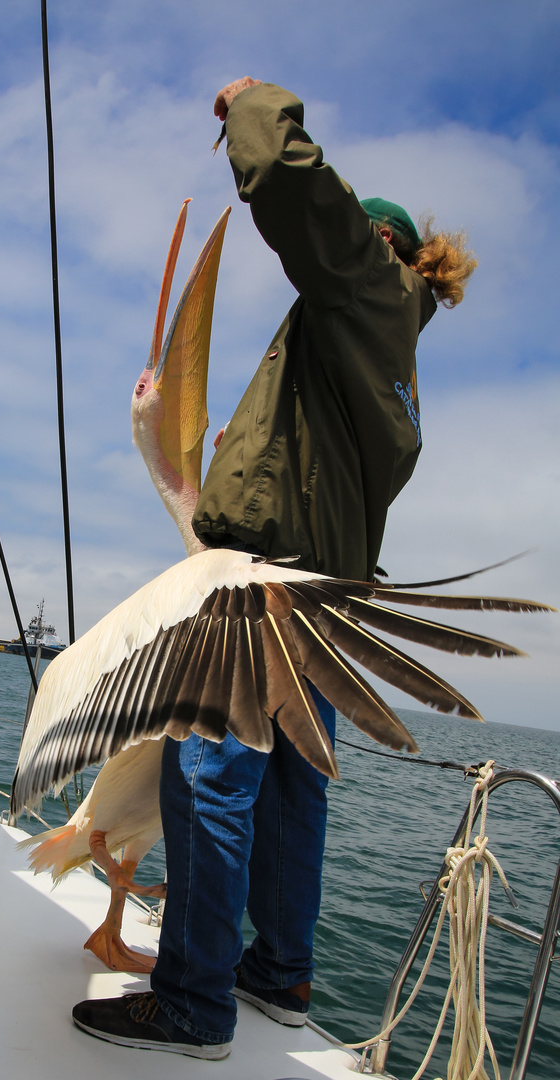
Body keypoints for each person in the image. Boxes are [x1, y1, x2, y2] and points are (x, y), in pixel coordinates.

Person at [72, 77, 476, 1060]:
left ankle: (193, 1004)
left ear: (377, 248)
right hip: (327, 604)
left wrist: (257, 104)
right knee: (296, 788)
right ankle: (278, 974)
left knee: (208, 774)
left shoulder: (367, 290)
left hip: (266, 585)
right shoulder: (392, 369)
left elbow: (302, 198)